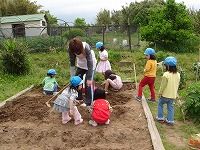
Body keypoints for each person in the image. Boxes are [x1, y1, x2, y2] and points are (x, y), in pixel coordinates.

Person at [68, 38, 97, 106]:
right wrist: (72, 76)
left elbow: (90, 64)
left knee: (87, 82)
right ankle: (79, 97)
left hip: (90, 63)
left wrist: (89, 78)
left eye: (78, 51)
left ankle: (88, 101)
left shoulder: (86, 47)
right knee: (77, 80)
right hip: (81, 64)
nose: (77, 53)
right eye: (76, 52)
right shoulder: (71, 49)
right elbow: (72, 63)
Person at [156, 57, 180, 126]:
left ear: (168, 66)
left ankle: (160, 118)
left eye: (165, 65)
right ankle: (170, 121)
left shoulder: (166, 74)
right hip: (172, 95)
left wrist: (160, 93)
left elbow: (162, 85)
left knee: (160, 104)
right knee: (170, 107)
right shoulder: (178, 74)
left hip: (165, 95)